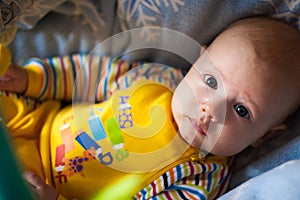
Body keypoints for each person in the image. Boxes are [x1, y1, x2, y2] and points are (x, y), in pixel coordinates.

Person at [0, 17, 299, 199]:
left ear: (264, 136)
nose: (211, 110)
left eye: (242, 110)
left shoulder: (197, 178)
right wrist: (31, 80)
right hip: (37, 117)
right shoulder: (159, 79)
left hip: (44, 183)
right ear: (198, 60)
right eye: (211, 80)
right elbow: (91, 76)